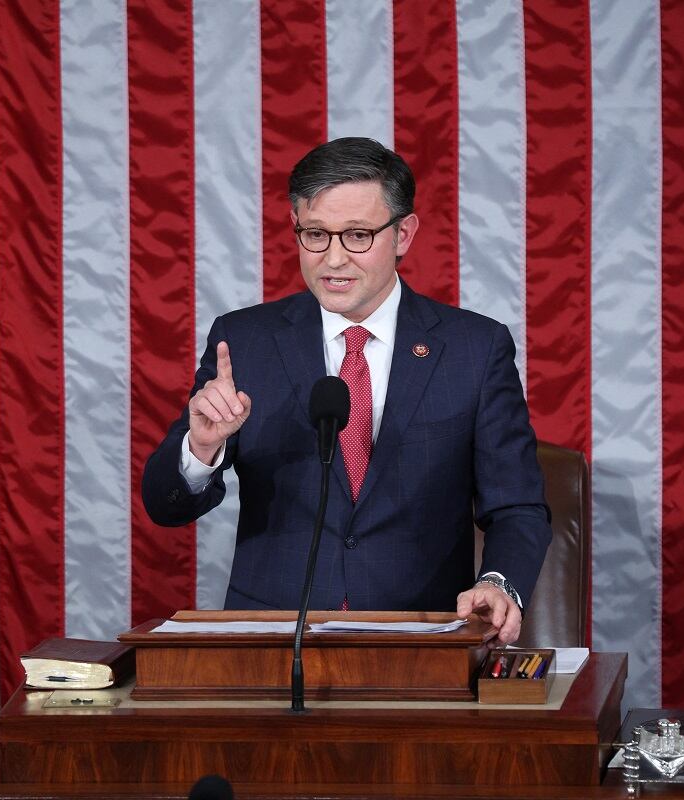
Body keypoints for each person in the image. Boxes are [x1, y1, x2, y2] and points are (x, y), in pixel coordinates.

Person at [142, 137, 551, 643]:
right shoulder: (245, 342)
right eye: (315, 234)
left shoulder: (474, 349)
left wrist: (498, 581)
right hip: (275, 640)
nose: (333, 259)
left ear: (403, 234)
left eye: (358, 235)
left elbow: (517, 506)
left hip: (421, 640)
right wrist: (201, 449)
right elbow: (166, 506)